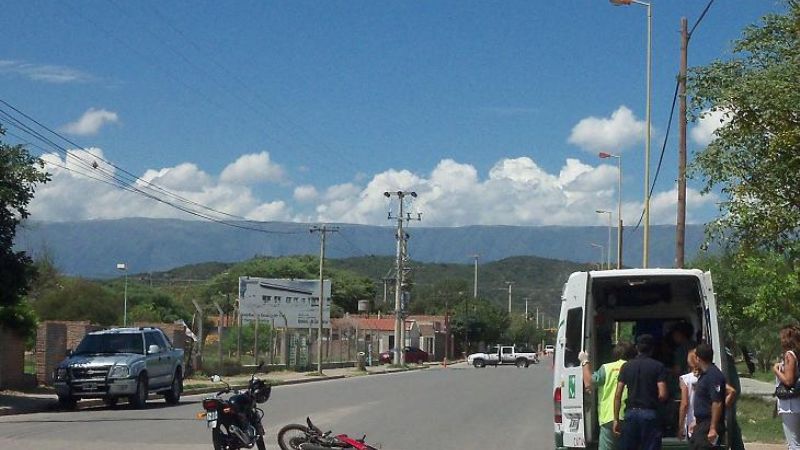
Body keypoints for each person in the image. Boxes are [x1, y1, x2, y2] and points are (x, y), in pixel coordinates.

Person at [613, 334, 669, 450]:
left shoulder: (626, 366)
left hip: (630, 414)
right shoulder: (658, 366)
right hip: (649, 414)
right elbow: (662, 394)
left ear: (637, 348)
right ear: (652, 349)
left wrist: (616, 419)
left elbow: (618, 394)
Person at [580, 342, 636, 450]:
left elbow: (589, 382)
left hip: (609, 416)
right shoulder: (635, 368)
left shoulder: (607, 368)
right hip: (630, 415)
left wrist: (584, 361)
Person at [689, 343, 727, 450]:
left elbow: (717, 402)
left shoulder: (713, 375)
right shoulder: (704, 375)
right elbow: (705, 401)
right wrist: (696, 421)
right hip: (702, 423)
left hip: (709, 424)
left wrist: (713, 427)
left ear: (697, 358)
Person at [773, 324, 800, 450]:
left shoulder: (789, 355)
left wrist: (776, 370)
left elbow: (788, 381)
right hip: (796, 402)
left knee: (793, 444)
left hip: (790, 405)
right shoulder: (797, 354)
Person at [678, 347, 700, 441]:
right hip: (705, 420)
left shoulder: (685, 379)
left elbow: (685, 404)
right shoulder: (708, 376)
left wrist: (681, 426)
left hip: (691, 420)